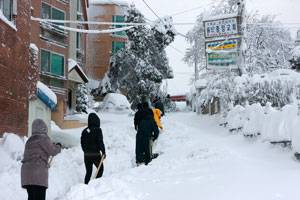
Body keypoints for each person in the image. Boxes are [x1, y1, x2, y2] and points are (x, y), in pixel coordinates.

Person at [21, 119, 61, 200]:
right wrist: (58, 147)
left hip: (26, 173)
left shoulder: (30, 140)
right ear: (44, 128)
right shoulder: (43, 138)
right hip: (37, 174)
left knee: (31, 197)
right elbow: (52, 151)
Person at [81, 113, 106, 184]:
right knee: (100, 169)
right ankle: (96, 185)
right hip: (95, 154)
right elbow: (100, 141)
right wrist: (103, 152)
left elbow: (82, 142)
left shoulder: (85, 131)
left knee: (88, 172)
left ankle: (85, 186)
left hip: (86, 155)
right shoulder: (98, 130)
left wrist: (85, 150)